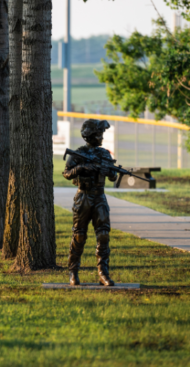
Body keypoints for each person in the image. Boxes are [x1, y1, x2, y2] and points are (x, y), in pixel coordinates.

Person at [62, 119, 117, 286]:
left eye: (102, 134)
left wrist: (111, 172)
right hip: (83, 197)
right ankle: (73, 271)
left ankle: (103, 273)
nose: (101, 137)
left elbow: (113, 177)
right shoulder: (78, 154)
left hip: (99, 197)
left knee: (103, 234)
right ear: (90, 136)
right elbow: (66, 173)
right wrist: (81, 168)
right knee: (79, 235)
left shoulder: (105, 154)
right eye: (99, 134)